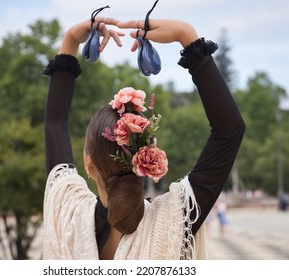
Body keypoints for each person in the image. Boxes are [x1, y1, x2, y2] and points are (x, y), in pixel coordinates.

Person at [42, 17, 245, 260]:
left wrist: (71, 40)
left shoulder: (69, 215)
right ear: (146, 161)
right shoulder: (174, 221)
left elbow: (55, 124)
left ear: (89, 164)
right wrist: (186, 35)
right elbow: (229, 130)